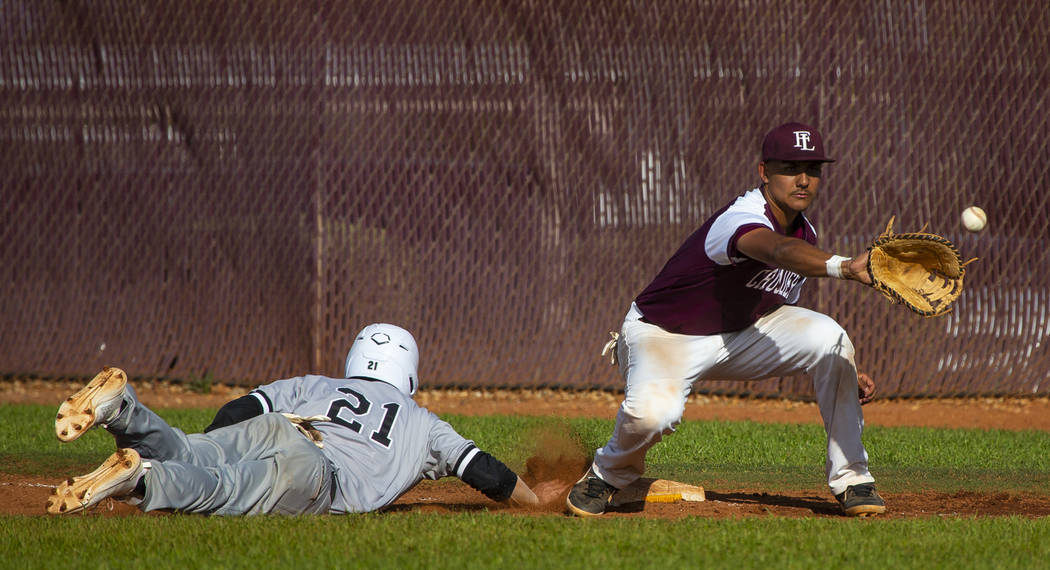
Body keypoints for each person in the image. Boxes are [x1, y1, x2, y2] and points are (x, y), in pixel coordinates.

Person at [566, 122, 886, 518]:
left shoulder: (805, 234)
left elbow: (777, 303)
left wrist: (845, 365)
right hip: (665, 335)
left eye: (813, 169)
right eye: (789, 167)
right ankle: (606, 474)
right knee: (654, 416)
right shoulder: (740, 218)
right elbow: (775, 250)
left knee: (831, 339)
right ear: (764, 172)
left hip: (738, 335)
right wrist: (843, 267)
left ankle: (853, 479)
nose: (803, 180)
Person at [48, 323, 541, 515]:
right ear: (409, 375)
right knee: (222, 490)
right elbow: (486, 472)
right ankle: (139, 480)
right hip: (315, 476)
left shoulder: (319, 385)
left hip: (284, 427)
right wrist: (535, 501)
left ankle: (124, 409)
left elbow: (240, 410)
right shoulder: (426, 424)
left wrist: (222, 445)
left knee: (199, 454)